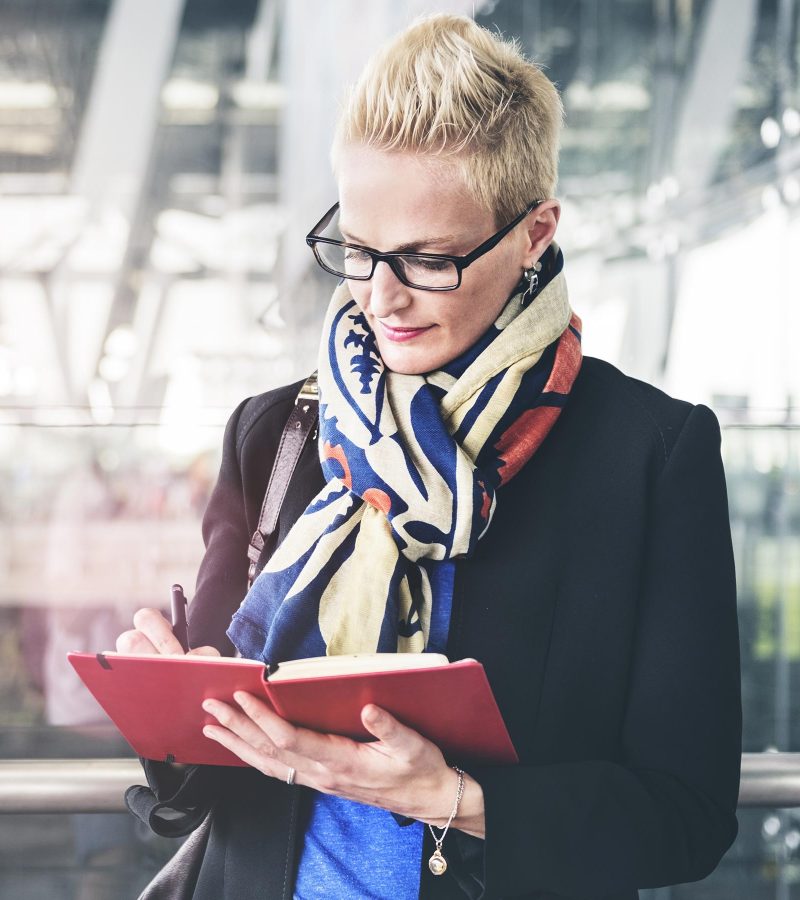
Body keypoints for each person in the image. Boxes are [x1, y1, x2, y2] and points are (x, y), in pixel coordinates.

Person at [117, 14, 742, 900]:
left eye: (429, 260)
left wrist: (457, 799)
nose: (382, 296)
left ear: (534, 235)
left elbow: (686, 814)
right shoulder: (278, 433)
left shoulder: (647, 455)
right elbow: (209, 788)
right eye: (361, 251)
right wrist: (173, 715)